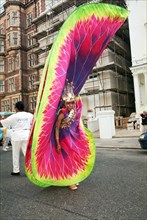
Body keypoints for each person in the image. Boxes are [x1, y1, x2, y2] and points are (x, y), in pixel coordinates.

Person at [0, 101, 33, 175]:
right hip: (26, 135)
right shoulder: (30, 115)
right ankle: (31, 170)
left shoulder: (14, 116)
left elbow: (3, 122)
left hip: (16, 135)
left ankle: (16, 170)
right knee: (27, 153)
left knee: (15, 154)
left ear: (16, 108)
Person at [55, 95, 79, 190]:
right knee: (67, 159)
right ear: (65, 103)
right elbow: (56, 128)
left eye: (72, 103)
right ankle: (69, 181)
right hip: (63, 139)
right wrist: (57, 143)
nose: (70, 105)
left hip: (71, 138)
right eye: (68, 103)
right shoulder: (62, 113)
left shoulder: (72, 112)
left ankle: (70, 178)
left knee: (72, 159)